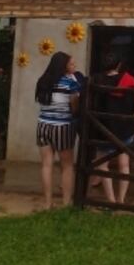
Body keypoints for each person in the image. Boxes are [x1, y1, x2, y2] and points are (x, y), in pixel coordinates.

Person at [93, 52, 134, 204]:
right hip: (125, 127)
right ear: (119, 65)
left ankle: (111, 200)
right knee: (124, 164)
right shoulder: (129, 80)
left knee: (103, 165)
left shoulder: (96, 79)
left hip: (103, 128)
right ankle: (121, 199)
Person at [35, 51, 80, 209]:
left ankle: (47, 203)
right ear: (64, 66)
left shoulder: (43, 81)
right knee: (67, 166)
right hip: (63, 126)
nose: (74, 66)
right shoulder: (70, 82)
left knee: (46, 165)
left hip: (43, 125)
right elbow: (75, 106)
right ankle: (66, 203)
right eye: (71, 63)